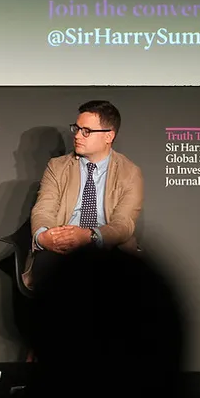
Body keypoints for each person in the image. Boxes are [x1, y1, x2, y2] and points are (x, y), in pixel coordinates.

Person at [24, 100, 144, 289]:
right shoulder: (57, 166)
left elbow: (124, 224)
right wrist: (43, 237)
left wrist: (90, 236)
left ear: (109, 136)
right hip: (61, 248)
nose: (78, 136)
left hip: (107, 249)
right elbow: (43, 209)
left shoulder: (130, 173)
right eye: (76, 129)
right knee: (53, 271)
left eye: (86, 131)